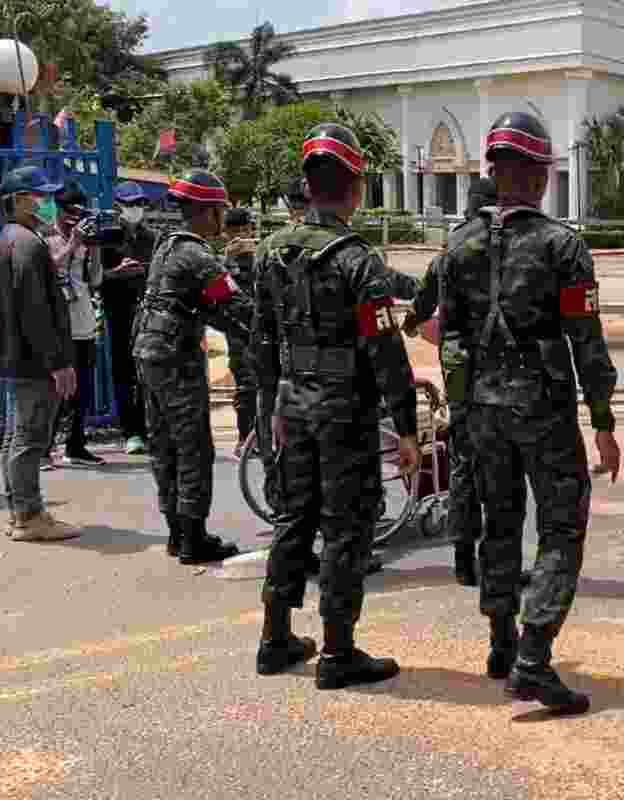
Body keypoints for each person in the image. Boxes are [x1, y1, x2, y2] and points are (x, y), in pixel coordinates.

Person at [441, 111, 620, 714]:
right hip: (542, 409)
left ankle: (501, 643)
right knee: (561, 528)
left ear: (494, 169)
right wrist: (603, 420)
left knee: (499, 523)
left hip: (480, 411)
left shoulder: (457, 243)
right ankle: (534, 661)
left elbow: (447, 335)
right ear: (541, 173)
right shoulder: (561, 245)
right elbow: (586, 341)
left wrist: (461, 407)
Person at [252, 122, 419, 686]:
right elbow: (386, 352)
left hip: (293, 405)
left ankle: (274, 639)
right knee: (347, 526)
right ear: (354, 188)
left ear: (306, 183)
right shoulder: (356, 260)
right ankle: (338, 651)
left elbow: (263, 340)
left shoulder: (269, 253)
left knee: (293, 518)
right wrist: (409, 428)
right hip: (344, 413)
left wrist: (273, 401)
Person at [131, 170, 250, 565]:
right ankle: (193, 539)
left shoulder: (167, 246)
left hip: (148, 356)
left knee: (163, 445)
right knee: (193, 447)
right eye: (219, 210)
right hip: (176, 359)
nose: (221, 219)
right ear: (207, 211)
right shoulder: (196, 255)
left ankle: (176, 533)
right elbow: (233, 306)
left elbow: (203, 304)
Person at [404, 176, 498, 586]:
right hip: (503, 367)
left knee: (462, 460)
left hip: (460, 366)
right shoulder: (510, 240)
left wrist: (409, 322)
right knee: (501, 461)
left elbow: (425, 298)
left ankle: (463, 559)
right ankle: (498, 558)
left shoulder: (453, 245)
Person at [0, 166, 81, 542]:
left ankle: (20, 511)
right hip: (34, 359)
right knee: (30, 438)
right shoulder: (28, 243)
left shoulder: (7, 240)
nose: (45, 202)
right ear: (19, 200)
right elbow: (35, 309)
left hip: (15, 353)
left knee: (16, 437)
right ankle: (29, 515)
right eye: (38, 196)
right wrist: (56, 362)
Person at [45, 180, 106, 468]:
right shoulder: (45, 238)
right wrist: (72, 244)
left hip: (82, 320)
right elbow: (48, 269)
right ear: (58, 210)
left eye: (78, 213)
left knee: (83, 388)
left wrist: (93, 249)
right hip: (56, 324)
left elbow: (94, 280)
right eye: (68, 211)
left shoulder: (86, 239)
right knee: (55, 389)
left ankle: (76, 446)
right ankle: (43, 448)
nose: (73, 218)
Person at [99, 181, 157, 455]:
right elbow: (93, 280)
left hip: (146, 310)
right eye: (130, 204)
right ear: (118, 206)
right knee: (124, 373)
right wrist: (116, 274)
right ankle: (131, 431)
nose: (136, 209)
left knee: (148, 371)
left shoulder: (151, 238)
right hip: (118, 311)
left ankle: (149, 427)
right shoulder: (107, 237)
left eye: (140, 204)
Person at [220, 207, 259, 455]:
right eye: (235, 231)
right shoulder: (219, 262)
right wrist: (226, 260)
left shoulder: (264, 257)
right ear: (226, 234)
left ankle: (265, 437)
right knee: (246, 386)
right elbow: (217, 295)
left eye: (246, 229)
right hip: (239, 333)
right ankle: (245, 438)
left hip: (267, 330)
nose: (241, 236)